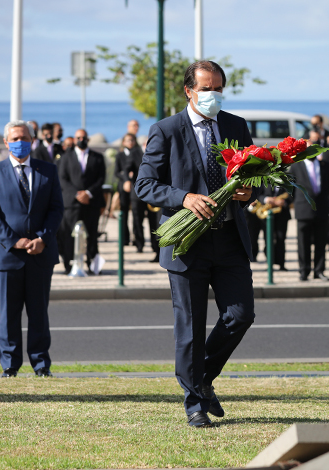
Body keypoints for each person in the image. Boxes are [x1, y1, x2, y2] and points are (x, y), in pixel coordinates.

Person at [135, 60, 256, 428]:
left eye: (218, 88)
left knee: (240, 315)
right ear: (189, 91)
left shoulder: (236, 126)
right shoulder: (165, 130)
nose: (213, 95)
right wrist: (184, 198)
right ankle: (194, 404)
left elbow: (255, 175)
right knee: (190, 326)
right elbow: (145, 185)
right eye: (206, 89)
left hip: (230, 239)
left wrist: (251, 191)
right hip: (187, 243)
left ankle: (201, 377)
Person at [0, 120, 63, 378]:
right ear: (6, 142)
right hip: (7, 255)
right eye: (14, 138)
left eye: (24, 137)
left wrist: (43, 239)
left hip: (41, 253)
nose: (19, 142)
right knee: (9, 313)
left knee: (39, 313)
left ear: (32, 140)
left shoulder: (48, 170)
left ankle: (41, 365)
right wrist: (14, 241)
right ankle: (10, 365)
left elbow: (56, 209)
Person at [58, 128, 106, 274]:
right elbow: (62, 179)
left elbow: (101, 179)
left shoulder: (98, 157)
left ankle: (93, 266)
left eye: (84, 138)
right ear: (74, 139)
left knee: (92, 236)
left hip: (91, 202)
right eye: (78, 138)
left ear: (88, 139)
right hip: (72, 203)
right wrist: (77, 194)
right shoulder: (66, 157)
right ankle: (69, 266)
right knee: (69, 235)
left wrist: (88, 193)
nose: (81, 140)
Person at [289, 132, 329, 281]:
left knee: (321, 242)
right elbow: (291, 188)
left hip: (322, 209)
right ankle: (304, 270)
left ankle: (319, 270)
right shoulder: (296, 166)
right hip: (303, 209)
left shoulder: (325, 166)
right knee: (303, 242)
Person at [127, 134, 160, 261]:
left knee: (155, 222)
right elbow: (127, 168)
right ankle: (139, 244)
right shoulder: (135, 152)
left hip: (153, 194)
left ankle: (156, 248)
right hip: (138, 193)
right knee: (137, 220)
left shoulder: (157, 152)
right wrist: (127, 180)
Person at [259, 185, 291, 271]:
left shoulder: (287, 179)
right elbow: (258, 194)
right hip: (266, 214)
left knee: (281, 239)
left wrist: (284, 202)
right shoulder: (263, 179)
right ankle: (270, 264)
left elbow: (293, 194)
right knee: (268, 240)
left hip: (282, 214)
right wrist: (266, 199)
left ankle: (281, 264)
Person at [114, 134, 137, 247]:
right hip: (123, 187)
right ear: (123, 142)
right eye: (128, 140)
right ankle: (125, 238)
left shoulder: (138, 154)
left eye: (132, 140)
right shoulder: (120, 155)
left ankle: (137, 238)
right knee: (124, 213)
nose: (130, 142)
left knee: (136, 214)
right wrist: (126, 177)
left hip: (135, 187)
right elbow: (116, 172)